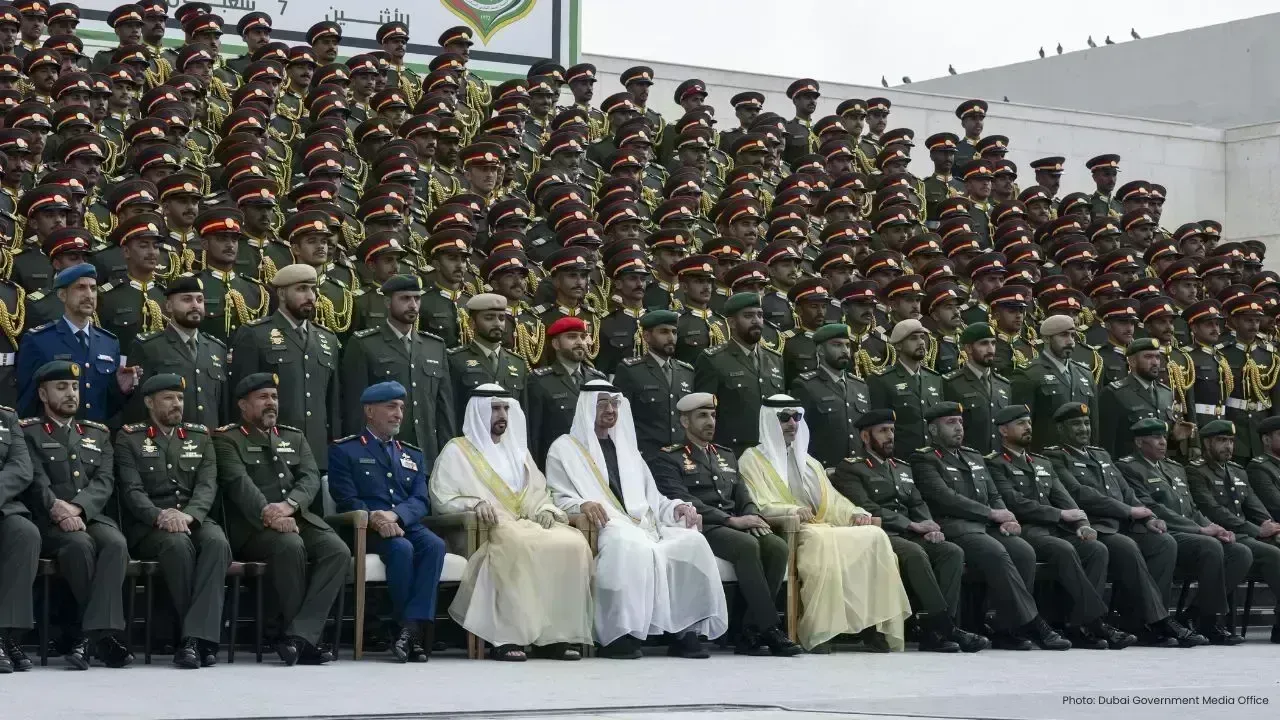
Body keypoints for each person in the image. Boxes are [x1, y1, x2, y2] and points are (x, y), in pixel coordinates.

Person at [545, 379, 728, 659]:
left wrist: (677, 507)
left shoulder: (627, 449)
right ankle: (619, 634)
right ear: (586, 407)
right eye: (602, 403)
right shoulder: (564, 449)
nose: (610, 409)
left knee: (692, 542)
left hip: (645, 525)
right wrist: (583, 503)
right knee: (628, 544)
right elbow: (558, 496)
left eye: (614, 403)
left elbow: (653, 499)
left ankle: (686, 631)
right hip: (607, 524)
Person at [429, 384, 594, 661]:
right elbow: (441, 498)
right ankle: (506, 637)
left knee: (573, 543)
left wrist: (546, 510)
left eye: (505, 408)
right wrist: (474, 504)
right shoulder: (456, 451)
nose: (501, 414)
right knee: (516, 543)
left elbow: (538, 493)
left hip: (523, 524)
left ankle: (553, 637)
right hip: (481, 532)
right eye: (495, 408)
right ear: (480, 412)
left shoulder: (518, 451)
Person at [738, 395, 911, 651]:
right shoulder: (751, 459)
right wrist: (792, 509)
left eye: (796, 417)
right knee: (821, 541)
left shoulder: (810, 462)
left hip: (820, 526)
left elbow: (834, 501)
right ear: (768, 420)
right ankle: (822, 631)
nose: (792, 424)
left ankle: (873, 627)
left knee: (874, 535)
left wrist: (855, 513)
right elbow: (758, 503)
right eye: (784, 418)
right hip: (790, 530)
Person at [649, 392, 802, 657]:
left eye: (712, 416)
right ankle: (770, 628)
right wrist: (731, 520)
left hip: (736, 523)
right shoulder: (668, 457)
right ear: (685, 422)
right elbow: (681, 498)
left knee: (776, 546)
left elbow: (744, 495)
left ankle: (748, 630)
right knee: (745, 545)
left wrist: (753, 516)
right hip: (702, 526)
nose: (710, 422)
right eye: (702, 416)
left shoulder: (727, 455)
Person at [909, 402, 1071, 650]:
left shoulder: (974, 456)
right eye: (950, 423)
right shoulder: (924, 459)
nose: (958, 428)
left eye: (960, 422)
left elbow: (993, 494)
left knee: (1023, 550)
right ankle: (1034, 623)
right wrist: (991, 513)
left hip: (986, 526)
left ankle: (1006, 627)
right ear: (932, 429)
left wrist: (1008, 518)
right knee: (995, 552)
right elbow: (945, 498)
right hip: (955, 527)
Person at [215, 372, 350, 666]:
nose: (271, 403)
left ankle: (299, 636)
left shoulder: (294, 436)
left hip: (297, 517)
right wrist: (270, 515)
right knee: (289, 546)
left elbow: (310, 477)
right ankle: (297, 637)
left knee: (338, 550)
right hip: (252, 528)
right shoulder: (227, 440)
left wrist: (289, 506)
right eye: (263, 397)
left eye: (274, 397)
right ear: (243, 405)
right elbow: (239, 485)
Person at [831, 409, 988, 652]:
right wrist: (911, 525)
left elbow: (917, 503)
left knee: (951, 551)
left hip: (911, 533)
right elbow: (866, 507)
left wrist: (929, 527)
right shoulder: (851, 468)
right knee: (915, 553)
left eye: (892, 430)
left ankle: (934, 634)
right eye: (883, 431)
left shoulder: (901, 468)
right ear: (865, 437)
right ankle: (945, 626)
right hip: (879, 534)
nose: (890, 436)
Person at [984, 405, 1137, 649]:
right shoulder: (994, 463)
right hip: (1026, 530)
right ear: (1003, 430)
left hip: (1056, 529)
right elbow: (1015, 503)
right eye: (1020, 424)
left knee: (1096, 549)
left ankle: (1078, 624)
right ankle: (1095, 622)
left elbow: (1064, 497)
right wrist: (1059, 514)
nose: (1028, 428)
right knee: (1062, 549)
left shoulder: (1042, 462)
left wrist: (1082, 524)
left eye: (1029, 422)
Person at [22, 360, 132, 669]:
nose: (71, 394)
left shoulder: (97, 434)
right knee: (79, 544)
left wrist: (79, 507)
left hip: (90, 516)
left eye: (73, 387)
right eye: (61, 388)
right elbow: (35, 478)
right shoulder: (28, 432)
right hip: (47, 520)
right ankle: (103, 637)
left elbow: (104, 481)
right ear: (43, 395)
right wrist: (58, 508)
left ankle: (89, 635)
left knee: (115, 543)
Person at [116, 373, 230, 669]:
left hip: (193, 517)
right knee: (177, 546)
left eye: (180, 398)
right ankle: (200, 639)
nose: (177, 404)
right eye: (168, 398)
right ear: (149, 403)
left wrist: (189, 515)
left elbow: (208, 485)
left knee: (218, 543)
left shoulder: (200, 436)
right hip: (151, 525)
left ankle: (192, 639)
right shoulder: (130, 437)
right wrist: (160, 516)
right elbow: (132, 491)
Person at [328, 381, 446, 663]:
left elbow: (421, 499)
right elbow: (345, 497)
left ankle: (408, 629)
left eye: (402, 408)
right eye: (391, 406)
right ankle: (410, 632)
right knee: (401, 548)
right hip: (365, 528)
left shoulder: (412, 454)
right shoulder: (345, 450)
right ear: (370, 410)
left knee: (435, 545)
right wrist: (375, 520)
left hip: (404, 522)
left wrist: (395, 516)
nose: (398, 414)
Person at [1116, 417, 1250, 646]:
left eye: (1163, 437)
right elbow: (1154, 508)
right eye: (1155, 437)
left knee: (1240, 552)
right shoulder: (1129, 467)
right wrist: (1200, 529)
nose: (1162, 442)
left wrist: (1214, 527)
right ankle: (1168, 621)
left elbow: (1192, 508)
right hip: (1158, 530)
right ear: (1139, 443)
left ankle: (1195, 616)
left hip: (1189, 531)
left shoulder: (1174, 467)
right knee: (1209, 546)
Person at [227, 264, 341, 474]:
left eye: (312, 289)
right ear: (281, 293)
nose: (310, 296)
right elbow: (240, 399)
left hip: (317, 454)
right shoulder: (255, 334)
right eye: (301, 289)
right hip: (270, 451)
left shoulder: (328, 339)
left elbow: (333, 403)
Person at [340, 274, 455, 465]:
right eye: (405, 298)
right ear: (387, 302)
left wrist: (448, 455)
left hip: (427, 456)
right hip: (382, 455)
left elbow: (444, 409)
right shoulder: (365, 344)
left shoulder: (434, 346)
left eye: (417, 298)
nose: (413, 305)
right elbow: (354, 408)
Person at [1186, 419, 1280, 644]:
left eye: (1230, 441)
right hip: (1221, 532)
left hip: (1246, 534)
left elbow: (1255, 506)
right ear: (1207, 443)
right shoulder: (1195, 470)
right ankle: (1199, 614)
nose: (1228, 446)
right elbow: (1212, 509)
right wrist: (1258, 531)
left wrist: (1274, 530)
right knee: (1274, 555)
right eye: (1221, 441)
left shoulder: (1238, 471)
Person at [17, 263, 139, 421]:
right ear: (62, 295)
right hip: (52, 438)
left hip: (95, 438)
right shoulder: (38, 340)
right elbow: (27, 401)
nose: (89, 295)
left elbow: (107, 407)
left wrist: (121, 390)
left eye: (93, 288)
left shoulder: (109, 342)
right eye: (81, 287)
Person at [127, 273, 227, 430]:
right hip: (167, 443)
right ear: (168, 306)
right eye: (187, 300)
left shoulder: (217, 348)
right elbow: (138, 406)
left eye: (199, 300)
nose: (195, 305)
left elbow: (222, 407)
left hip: (209, 444)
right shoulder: (149, 347)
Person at [693, 292, 785, 457]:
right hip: (733, 453)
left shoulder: (775, 359)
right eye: (748, 316)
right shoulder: (713, 360)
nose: (756, 320)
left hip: (772, 451)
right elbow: (703, 413)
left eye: (760, 315)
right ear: (732, 323)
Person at [613, 309, 694, 459]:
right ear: (647, 336)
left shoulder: (686, 371)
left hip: (682, 457)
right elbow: (621, 420)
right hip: (648, 456)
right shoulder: (630, 370)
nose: (671, 338)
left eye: (674, 332)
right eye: (664, 332)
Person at [526, 316, 607, 466]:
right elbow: (533, 434)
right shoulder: (539, 381)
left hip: (596, 463)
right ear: (556, 344)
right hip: (558, 464)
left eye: (583, 337)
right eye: (572, 337)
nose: (580, 342)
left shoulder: (598, 379)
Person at [789, 323, 871, 469]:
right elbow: (798, 435)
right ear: (820, 350)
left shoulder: (860, 386)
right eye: (837, 345)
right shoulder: (805, 385)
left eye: (847, 345)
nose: (845, 350)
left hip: (859, 471)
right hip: (824, 471)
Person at [1097, 338, 1193, 459]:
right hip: (1128, 470)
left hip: (1160, 468)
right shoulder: (1114, 393)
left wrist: (1175, 437)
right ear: (1132, 361)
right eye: (1148, 357)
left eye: (1157, 357)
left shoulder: (1166, 393)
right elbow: (1106, 444)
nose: (1155, 362)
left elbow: (1163, 442)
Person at [1012, 314, 1097, 449]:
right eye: (1063, 335)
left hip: (1081, 459)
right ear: (1046, 338)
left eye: (1072, 335)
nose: (1070, 341)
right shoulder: (1028, 374)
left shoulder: (1085, 374)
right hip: (1047, 458)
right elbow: (1021, 428)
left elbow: (1093, 424)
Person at [447, 293, 531, 424]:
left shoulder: (517, 362)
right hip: (469, 440)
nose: (497, 323)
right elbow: (449, 410)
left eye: (501, 318)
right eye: (489, 318)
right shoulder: (455, 359)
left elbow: (523, 414)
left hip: (508, 441)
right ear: (472, 323)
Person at [0, 395, 39, 672]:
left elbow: (21, 467)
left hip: (4, 503)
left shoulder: (6, 417)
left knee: (26, 533)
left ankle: (6, 634)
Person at [868, 319, 944, 460]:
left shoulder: (934, 378)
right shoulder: (882, 380)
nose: (921, 342)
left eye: (922, 337)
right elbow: (878, 427)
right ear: (898, 346)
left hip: (934, 459)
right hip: (901, 460)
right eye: (913, 339)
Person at [944, 323, 1011, 455]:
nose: (991, 349)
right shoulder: (950, 383)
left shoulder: (1004, 384)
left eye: (993, 343)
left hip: (1000, 461)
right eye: (984, 344)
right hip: (968, 460)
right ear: (968, 348)